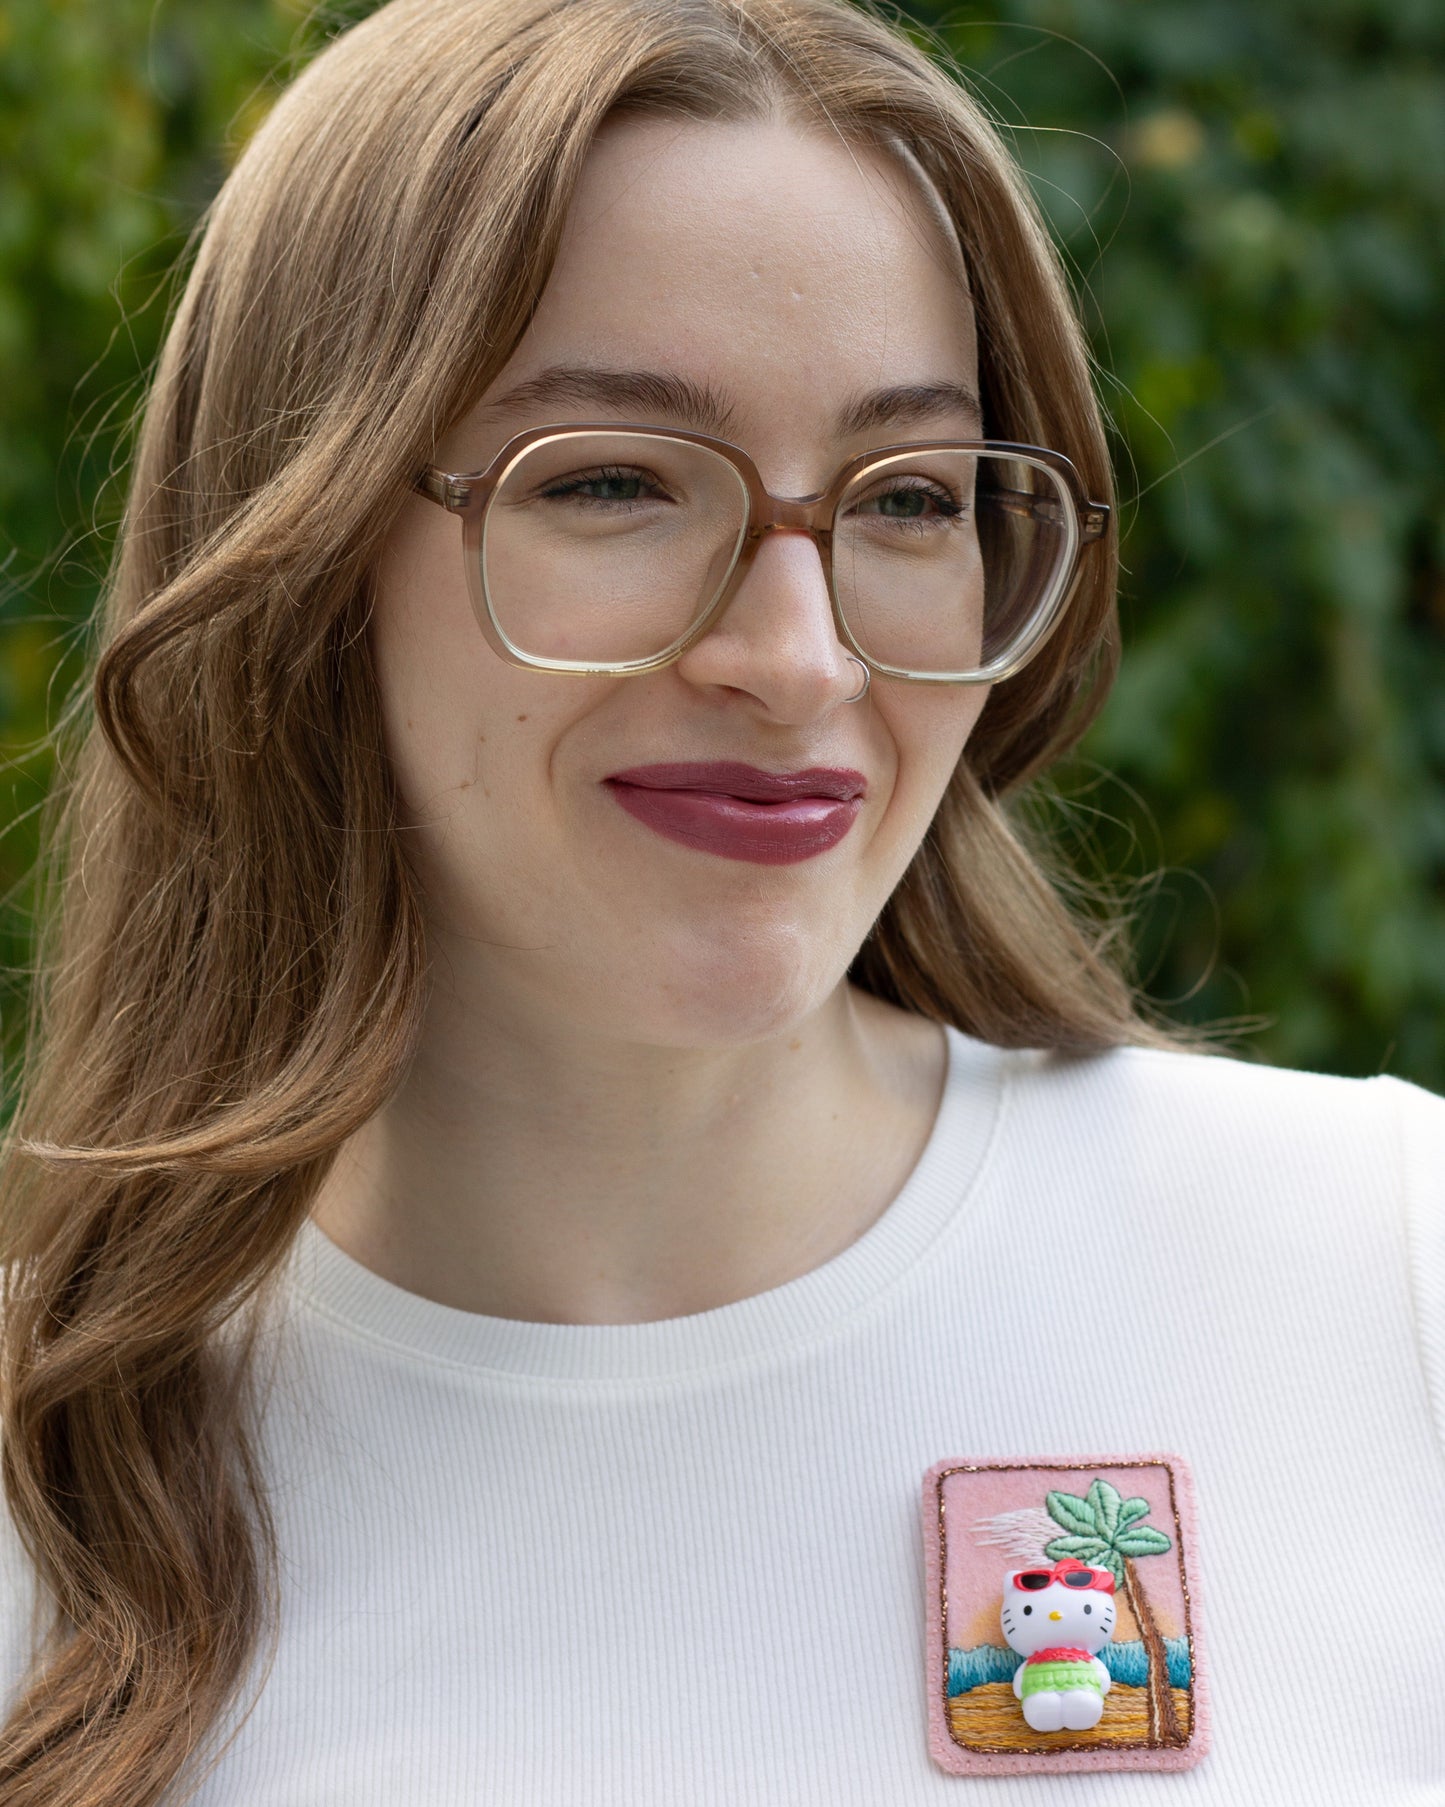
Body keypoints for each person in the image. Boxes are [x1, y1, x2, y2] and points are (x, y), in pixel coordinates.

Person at [0, 0, 1440, 1801]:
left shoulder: (1385, 1272)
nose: (798, 658)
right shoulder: (43, 1471)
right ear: (297, 552)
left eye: (908, 499)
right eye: (612, 481)